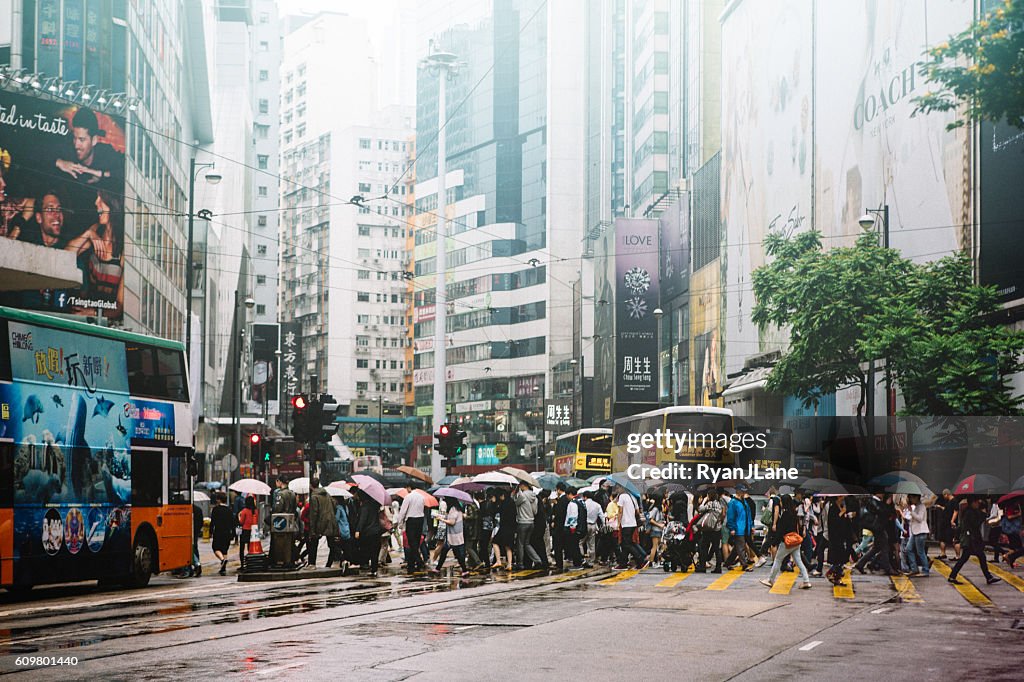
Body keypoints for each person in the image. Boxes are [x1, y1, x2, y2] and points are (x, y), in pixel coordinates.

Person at [760, 495, 812, 590]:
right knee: (799, 562)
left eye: (781, 501)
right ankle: (806, 581)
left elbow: (781, 531)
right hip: (796, 542)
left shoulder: (785, 515)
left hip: (787, 542)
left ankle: (770, 580)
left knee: (777, 560)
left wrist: (775, 542)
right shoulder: (794, 513)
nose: (780, 503)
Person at [947, 497, 1001, 586]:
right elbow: (975, 524)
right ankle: (988, 577)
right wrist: (982, 515)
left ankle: (952, 576)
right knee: (978, 557)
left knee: (969, 558)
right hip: (971, 540)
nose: (977, 504)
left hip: (972, 540)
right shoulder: (970, 513)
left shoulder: (969, 511)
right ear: (972, 503)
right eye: (976, 502)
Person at [432, 499, 470, 577]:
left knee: (457, 554)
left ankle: (464, 570)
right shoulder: (457, 509)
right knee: (446, 552)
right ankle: (438, 568)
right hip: (455, 535)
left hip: (454, 536)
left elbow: (452, 522)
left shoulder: (453, 510)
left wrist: (442, 519)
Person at [393, 483, 426, 573]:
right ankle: (411, 563)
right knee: (416, 542)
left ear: (409, 487)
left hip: (411, 521)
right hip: (420, 520)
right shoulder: (421, 497)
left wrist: (400, 523)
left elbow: (403, 511)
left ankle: (419, 561)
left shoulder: (408, 497)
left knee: (412, 543)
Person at [307, 478, 339, 568]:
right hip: (330, 521)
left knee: (313, 543)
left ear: (311, 485)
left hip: (319, 523)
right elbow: (335, 505)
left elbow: (314, 513)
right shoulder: (327, 494)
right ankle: (330, 564)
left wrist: (312, 530)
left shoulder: (314, 497)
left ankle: (312, 564)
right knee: (332, 544)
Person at [353, 491, 383, 577]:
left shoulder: (364, 507)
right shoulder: (375, 505)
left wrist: (358, 530)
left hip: (368, 532)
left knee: (367, 550)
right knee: (375, 551)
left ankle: (366, 565)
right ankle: (374, 569)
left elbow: (362, 520)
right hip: (376, 531)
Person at [615, 486, 646, 569]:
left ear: (622, 488)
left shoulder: (622, 497)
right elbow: (637, 511)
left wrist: (618, 523)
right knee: (626, 544)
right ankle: (623, 563)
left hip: (626, 524)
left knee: (627, 544)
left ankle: (640, 559)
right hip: (633, 523)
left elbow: (620, 511)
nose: (617, 489)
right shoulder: (632, 497)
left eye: (618, 488)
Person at [514, 482, 543, 569]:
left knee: (520, 544)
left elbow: (515, 503)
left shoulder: (522, 495)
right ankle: (537, 560)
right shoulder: (534, 497)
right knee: (527, 543)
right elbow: (535, 511)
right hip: (531, 522)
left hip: (522, 522)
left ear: (523, 485)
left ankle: (520, 563)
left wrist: (516, 492)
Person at [724, 485, 753, 570]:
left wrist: (751, 526)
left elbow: (748, 514)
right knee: (741, 547)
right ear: (738, 491)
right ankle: (744, 565)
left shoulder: (744, 501)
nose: (744, 493)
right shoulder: (733, 502)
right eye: (742, 491)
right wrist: (732, 528)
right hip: (738, 528)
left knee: (737, 548)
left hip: (745, 527)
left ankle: (728, 563)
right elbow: (730, 516)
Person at [695, 489, 725, 573]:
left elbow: (700, 509)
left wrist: (704, 501)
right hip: (717, 529)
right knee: (716, 548)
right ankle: (718, 567)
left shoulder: (710, 504)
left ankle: (702, 566)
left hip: (708, 529)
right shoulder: (718, 504)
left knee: (704, 547)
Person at [209, 492, 236, 575]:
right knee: (225, 550)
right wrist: (233, 534)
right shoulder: (229, 510)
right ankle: (223, 567)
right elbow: (233, 523)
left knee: (215, 548)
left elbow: (212, 522)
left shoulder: (216, 509)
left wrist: (210, 531)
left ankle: (222, 560)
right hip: (227, 532)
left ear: (219, 500)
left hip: (218, 532)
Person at [905, 493, 931, 577]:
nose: (910, 500)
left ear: (916, 497)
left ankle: (925, 570)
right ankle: (914, 569)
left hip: (921, 531)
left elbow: (920, 518)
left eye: (911, 498)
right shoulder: (917, 506)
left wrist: (911, 512)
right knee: (908, 549)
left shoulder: (921, 506)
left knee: (920, 552)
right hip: (915, 531)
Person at [492, 488, 516, 571]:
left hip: (504, 527)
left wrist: (495, 502)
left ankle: (498, 561)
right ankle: (509, 564)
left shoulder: (503, 503)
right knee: (508, 546)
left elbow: (496, 511)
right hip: (512, 527)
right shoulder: (512, 502)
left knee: (495, 541)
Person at [934, 489, 959, 561]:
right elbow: (947, 509)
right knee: (942, 538)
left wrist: (952, 520)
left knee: (955, 539)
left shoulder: (954, 501)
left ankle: (957, 556)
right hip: (945, 522)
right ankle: (943, 553)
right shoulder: (948, 502)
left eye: (944, 495)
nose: (944, 497)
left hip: (951, 523)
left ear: (946, 494)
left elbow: (955, 511)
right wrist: (940, 507)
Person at [582, 491, 605, 563]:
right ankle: (592, 559)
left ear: (585, 497)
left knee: (580, 542)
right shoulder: (597, 505)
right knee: (592, 543)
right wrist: (604, 525)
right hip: (593, 525)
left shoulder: (583, 504)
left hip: (585, 525)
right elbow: (602, 516)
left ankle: (582, 558)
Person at [644, 495, 665, 568]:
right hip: (655, 530)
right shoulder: (655, 509)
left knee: (659, 546)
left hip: (659, 530)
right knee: (655, 546)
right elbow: (650, 519)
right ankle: (651, 561)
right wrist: (659, 525)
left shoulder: (659, 509)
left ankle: (654, 560)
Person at [238, 496, 258, 571]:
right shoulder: (255, 511)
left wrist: (239, 518)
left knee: (242, 548)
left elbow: (241, 522)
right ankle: (250, 563)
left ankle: (242, 564)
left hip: (245, 530)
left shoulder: (244, 511)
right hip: (253, 531)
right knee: (250, 548)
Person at [190, 501, 203, 577]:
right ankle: (197, 563)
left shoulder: (188, 510)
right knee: (195, 547)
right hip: (196, 531)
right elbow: (201, 521)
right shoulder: (198, 509)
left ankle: (196, 564)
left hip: (189, 530)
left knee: (190, 548)